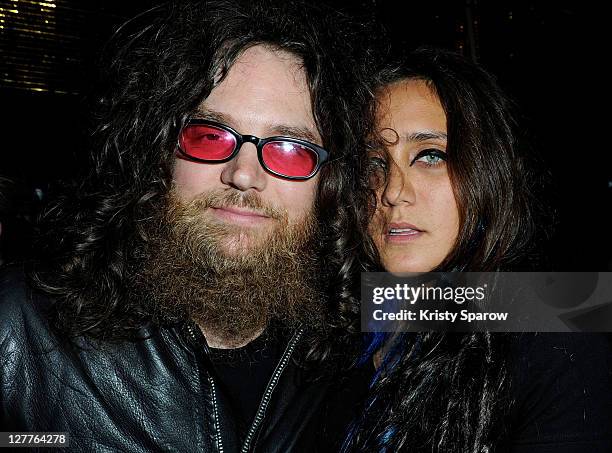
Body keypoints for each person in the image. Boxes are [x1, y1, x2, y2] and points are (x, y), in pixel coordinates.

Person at [0, 1, 375, 451]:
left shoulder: (354, 334)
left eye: (290, 149)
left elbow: (477, 303)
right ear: (157, 151)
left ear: (329, 182)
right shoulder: (18, 326)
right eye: (210, 136)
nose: (244, 174)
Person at [343, 48, 612, 452]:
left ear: (487, 170)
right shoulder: (338, 326)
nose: (394, 192)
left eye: (430, 156)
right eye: (374, 163)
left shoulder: (556, 330)